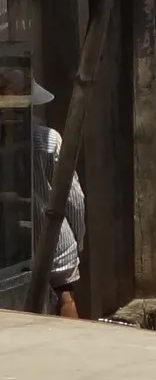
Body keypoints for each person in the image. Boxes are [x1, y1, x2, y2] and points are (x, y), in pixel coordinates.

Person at [30, 82, 85, 319]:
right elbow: (74, 198)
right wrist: (78, 237)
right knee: (64, 294)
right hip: (52, 240)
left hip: (12, 248)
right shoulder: (49, 139)